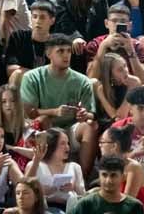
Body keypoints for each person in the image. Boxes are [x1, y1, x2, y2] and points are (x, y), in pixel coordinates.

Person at [19, 34, 98, 173]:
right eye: (60, 51)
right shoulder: (32, 77)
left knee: (89, 126)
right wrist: (54, 112)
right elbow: (28, 112)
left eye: (68, 51)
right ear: (49, 53)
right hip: (43, 129)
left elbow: (90, 113)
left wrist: (84, 115)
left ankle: (83, 177)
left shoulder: (82, 81)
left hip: (70, 128)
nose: (66, 55)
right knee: (44, 119)